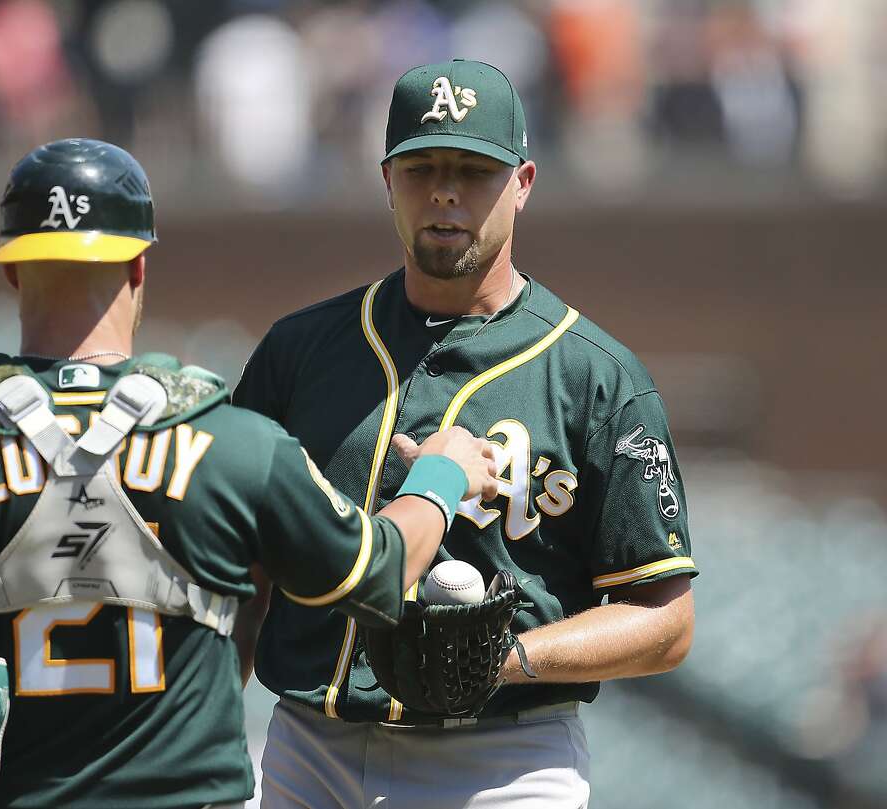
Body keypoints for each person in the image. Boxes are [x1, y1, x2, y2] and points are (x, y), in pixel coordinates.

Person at [0, 138, 506, 809]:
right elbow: (374, 575)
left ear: (13, 270)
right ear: (139, 265)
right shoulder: (235, 442)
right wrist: (437, 480)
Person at [233, 59, 699, 808]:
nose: (445, 192)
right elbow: (242, 576)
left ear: (523, 182)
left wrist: (508, 656)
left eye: (473, 169)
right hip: (308, 744)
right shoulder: (299, 351)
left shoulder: (595, 375)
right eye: (422, 167)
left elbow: (666, 620)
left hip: (501, 760)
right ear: (388, 181)